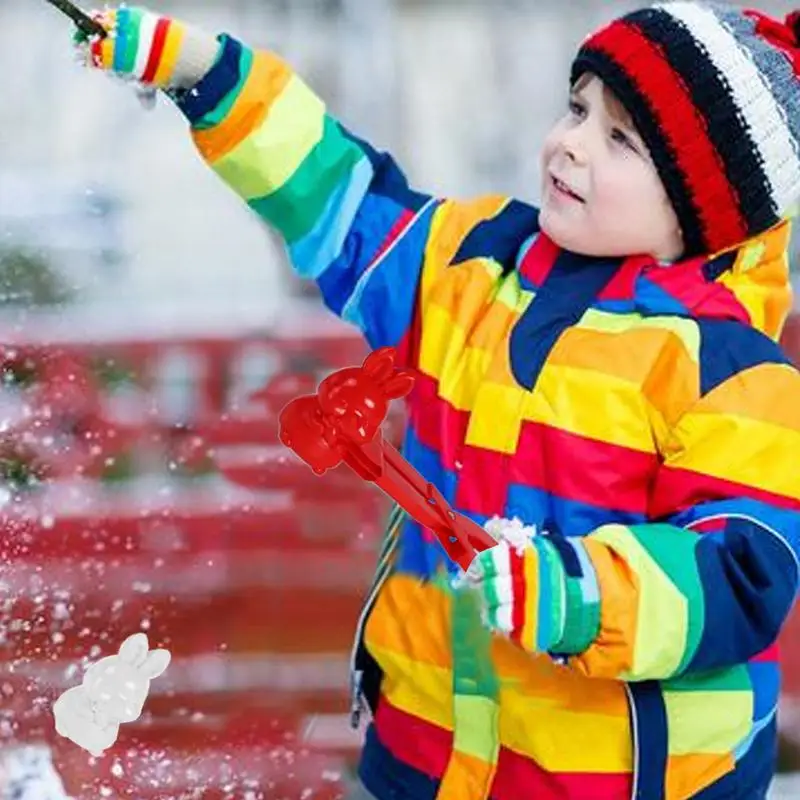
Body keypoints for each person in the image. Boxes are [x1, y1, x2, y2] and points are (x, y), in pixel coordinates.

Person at [72, 2, 800, 797]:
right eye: (577, 107)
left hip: (610, 779)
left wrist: (578, 593)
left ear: (704, 210)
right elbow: (340, 203)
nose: (570, 144)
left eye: (619, 139)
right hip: (422, 755)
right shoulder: (472, 264)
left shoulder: (734, 373)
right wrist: (208, 75)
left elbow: (740, 568)